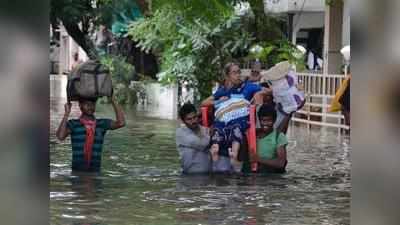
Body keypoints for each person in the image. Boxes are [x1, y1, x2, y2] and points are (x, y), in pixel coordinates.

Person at [201, 62, 271, 173]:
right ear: (227, 76)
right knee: (218, 128)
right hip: (224, 120)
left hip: (240, 119)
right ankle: (215, 150)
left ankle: (234, 155)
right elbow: (204, 102)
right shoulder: (223, 90)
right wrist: (219, 101)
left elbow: (269, 90)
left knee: (236, 127)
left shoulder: (248, 86)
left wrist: (259, 93)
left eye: (239, 72)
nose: (238, 75)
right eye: (234, 72)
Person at [56, 95, 125, 172]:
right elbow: (60, 136)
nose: (90, 107)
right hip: (78, 172)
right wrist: (66, 113)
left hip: (95, 172)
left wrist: (113, 101)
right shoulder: (74, 124)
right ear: (80, 105)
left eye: (92, 104)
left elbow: (121, 123)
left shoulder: (101, 124)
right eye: (86, 104)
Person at [243, 104, 288, 173]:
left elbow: (281, 163)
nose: (265, 124)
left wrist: (258, 159)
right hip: (252, 174)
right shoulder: (253, 134)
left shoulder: (278, 136)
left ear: (274, 120)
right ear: (259, 120)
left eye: (269, 120)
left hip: (270, 177)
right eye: (263, 120)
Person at [176, 103, 213, 174]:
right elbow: (203, 143)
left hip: (207, 175)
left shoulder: (204, 129)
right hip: (190, 177)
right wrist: (210, 134)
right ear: (183, 121)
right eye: (189, 119)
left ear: (197, 115)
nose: (193, 121)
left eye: (195, 117)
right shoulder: (180, 133)